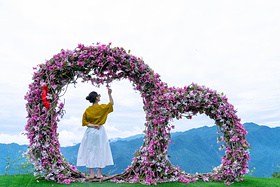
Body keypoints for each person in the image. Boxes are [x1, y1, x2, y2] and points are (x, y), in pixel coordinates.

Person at [76, 89, 114, 178]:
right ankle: (99, 174)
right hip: (100, 131)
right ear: (97, 98)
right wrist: (109, 94)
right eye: (99, 95)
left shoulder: (88, 110)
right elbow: (111, 103)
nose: (100, 96)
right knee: (100, 150)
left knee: (90, 151)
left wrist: (93, 125)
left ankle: (92, 173)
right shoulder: (102, 108)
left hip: (90, 131)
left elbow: (85, 122)